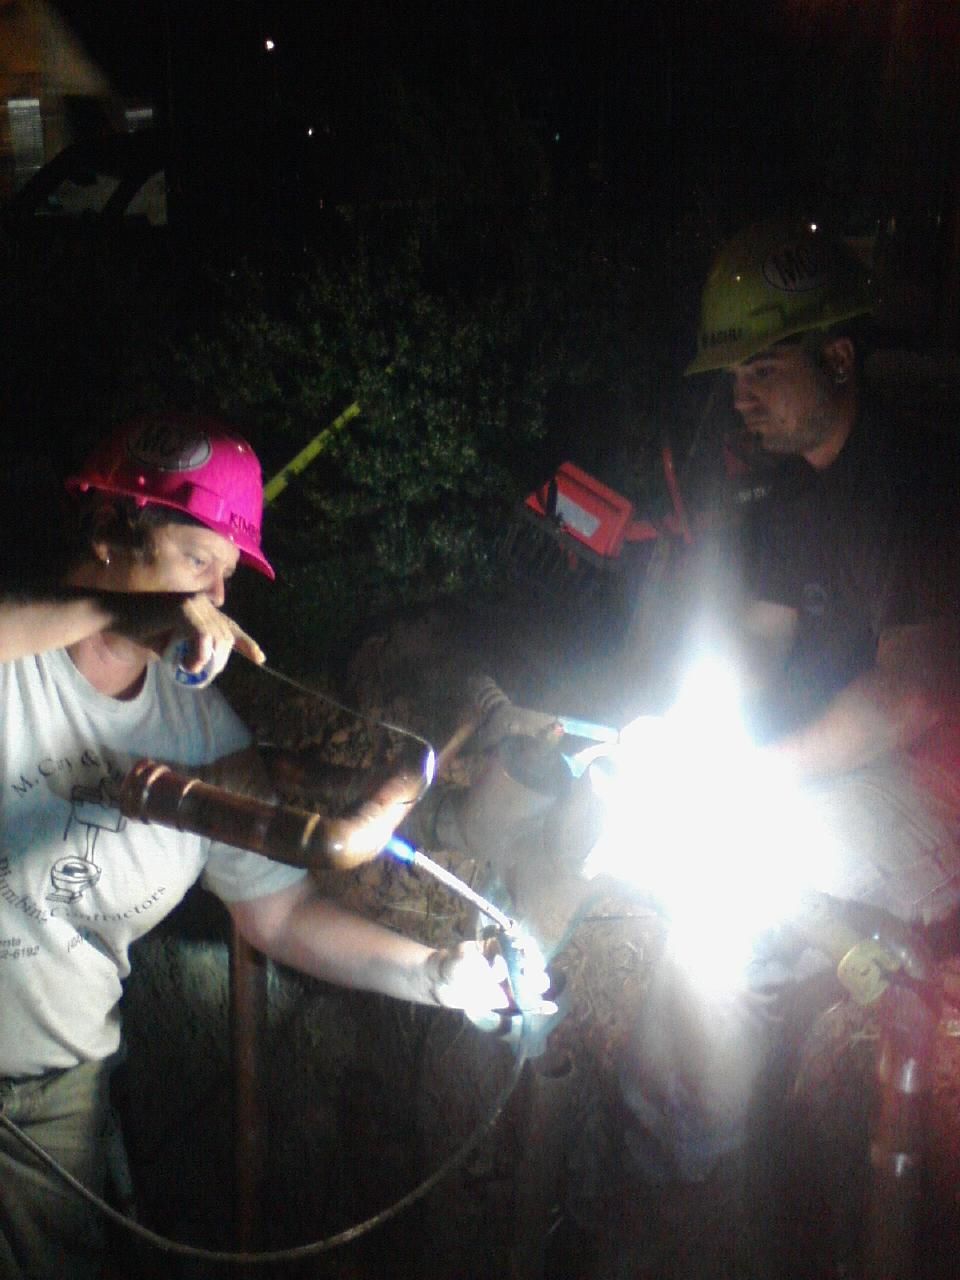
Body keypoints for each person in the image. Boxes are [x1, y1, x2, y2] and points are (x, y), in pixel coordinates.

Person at [0, 412, 514, 1280]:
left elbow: (281, 914)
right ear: (113, 524)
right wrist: (124, 610)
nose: (216, 597)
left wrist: (435, 973)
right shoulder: (20, 653)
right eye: (200, 561)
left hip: (51, 1100)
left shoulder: (199, 730)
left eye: (228, 576)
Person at [616, 219, 960, 1192]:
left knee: (728, 911)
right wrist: (681, 734)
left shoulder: (922, 488)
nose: (742, 395)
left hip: (940, 785)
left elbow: (914, 697)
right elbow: (754, 646)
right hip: (859, 762)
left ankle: (687, 1184)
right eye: (732, 376)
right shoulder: (792, 500)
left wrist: (747, 776)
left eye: (762, 367)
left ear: (839, 355)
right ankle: (690, 1159)